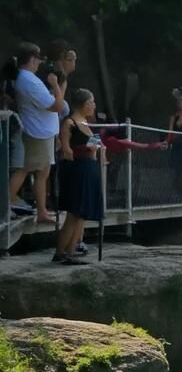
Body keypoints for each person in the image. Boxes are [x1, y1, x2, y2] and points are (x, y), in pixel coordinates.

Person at [6, 42, 65, 223]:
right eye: (38, 59)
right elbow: (56, 106)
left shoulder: (26, 78)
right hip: (38, 132)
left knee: (42, 172)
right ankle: (5, 203)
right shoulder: (29, 81)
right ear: (32, 59)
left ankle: (42, 211)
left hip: (42, 131)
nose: (39, 63)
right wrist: (56, 85)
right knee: (27, 169)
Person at [53, 88, 102, 264]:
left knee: (82, 214)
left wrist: (98, 150)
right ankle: (62, 251)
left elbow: (95, 150)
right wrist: (85, 149)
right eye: (92, 102)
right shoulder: (69, 123)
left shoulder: (87, 124)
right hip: (76, 170)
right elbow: (66, 150)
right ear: (85, 104)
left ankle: (71, 250)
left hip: (89, 169)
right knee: (74, 212)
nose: (94, 105)